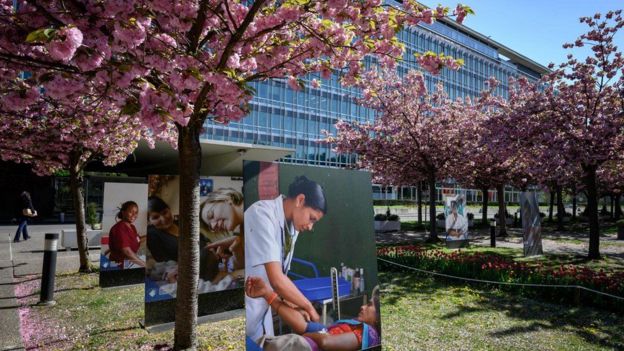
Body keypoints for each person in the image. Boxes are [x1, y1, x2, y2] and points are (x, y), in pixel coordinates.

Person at [245, 175, 327, 344]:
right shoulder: (262, 214)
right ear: (300, 200)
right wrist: (308, 307)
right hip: (247, 307)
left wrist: (294, 304)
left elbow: (280, 273)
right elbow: (277, 280)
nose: (311, 227)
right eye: (312, 218)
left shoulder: (292, 227)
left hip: (261, 310)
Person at [246, 276, 381, 351]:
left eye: (369, 305)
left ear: (379, 318)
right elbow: (303, 326)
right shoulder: (350, 326)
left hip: (303, 346)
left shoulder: (368, 334)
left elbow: (325, 341)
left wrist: (307, 335)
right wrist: (268, 295)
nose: (363, 307)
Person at [109, 201, 145, 268]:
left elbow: (137, 240)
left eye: (136, 212)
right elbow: (127, 252)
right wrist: (144, 264)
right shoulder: (119, 228)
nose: (134, 215)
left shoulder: (132, 227)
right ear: (123, 212)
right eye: (131, 212)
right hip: (120, 265)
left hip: (130, 262)